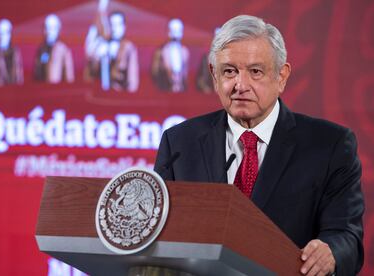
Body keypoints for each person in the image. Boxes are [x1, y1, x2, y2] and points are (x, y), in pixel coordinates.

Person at [154, 15, 364, 276]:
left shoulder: (330, 145)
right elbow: (158, 232)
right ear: (214, 75)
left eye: (255, 71)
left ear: (282, 76)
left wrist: (330, 250)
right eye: (229, 71)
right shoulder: (179, 143)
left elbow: (346, 235)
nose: (241, 85)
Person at [84, 0, 139, 92]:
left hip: (119, 97)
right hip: (99, 95)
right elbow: (90, 72)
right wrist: (97, 57)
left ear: (124, 26)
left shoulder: (128, 48)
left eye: (118, 25)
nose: (114, 28)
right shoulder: (102, 45)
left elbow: (132, 81)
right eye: (112, 25)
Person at [34, 14, 74, 83]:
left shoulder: (63, 50)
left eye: (53, 28)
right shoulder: (42, 49)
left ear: (59, 30)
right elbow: (38, 71)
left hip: (59, 90)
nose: (49, 32)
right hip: (43, 89)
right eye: (47, 28)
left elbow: (69, 76)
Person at [151, 18, 189, 92]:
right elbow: (154, 73)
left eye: (178, 30)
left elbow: (185, 75)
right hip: (165, 92)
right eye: (172, 30)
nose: (175, 33)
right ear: (168, 31)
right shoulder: (160, 52)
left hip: (181, 93)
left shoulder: (185, 52)